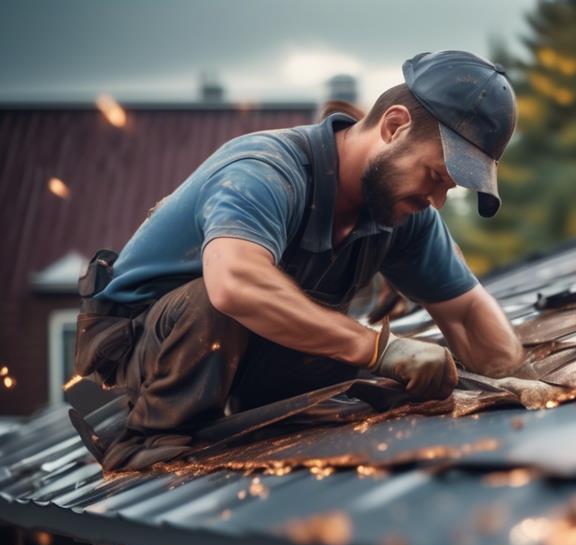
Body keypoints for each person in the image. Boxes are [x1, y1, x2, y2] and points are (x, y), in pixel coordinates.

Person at [72, 50, 528, 470]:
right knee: (233, 304)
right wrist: (378, 349)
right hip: (149, 352)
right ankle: (151, 439)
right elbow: (234, 285)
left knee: (394, 376)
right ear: (393, 126)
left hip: (245, 354)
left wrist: (517, 379)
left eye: (449, 188)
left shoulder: (405, 213)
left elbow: (467, 312)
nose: (437, 200)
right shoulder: (266, 171)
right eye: (435, 176)